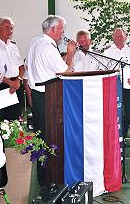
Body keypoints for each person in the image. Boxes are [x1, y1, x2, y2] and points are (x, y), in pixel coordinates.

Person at [26, 15, 76, 186]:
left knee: (42, 136)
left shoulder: (35, 42)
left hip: (40, 95)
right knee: (51, 137)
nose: (63, 33)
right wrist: (70, 54)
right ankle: (51, 176)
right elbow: (65, 72)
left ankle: (43, 175)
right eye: (62, 29)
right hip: (49, 97)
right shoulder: (48, 47)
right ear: (53, 29)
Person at [103, 28, 130, 147]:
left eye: (121, 36)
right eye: (116, 36)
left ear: (126, 37)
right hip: (113, 85)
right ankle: (113, 137)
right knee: (113, 111)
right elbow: (103, 69)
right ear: (113, 37)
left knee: (128, 111)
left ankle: (123, 137)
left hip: (128, 85)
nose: (119, 38)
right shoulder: (107, 52)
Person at [0, 17, 25, 121]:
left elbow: (21, 66)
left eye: (11, 28)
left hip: (17, 83)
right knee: (1, 119)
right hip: (1, 85)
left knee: (14, 118)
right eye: (7, 28)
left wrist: (18, 80)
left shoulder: (13, 45)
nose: (10, 31)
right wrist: (10, 83)